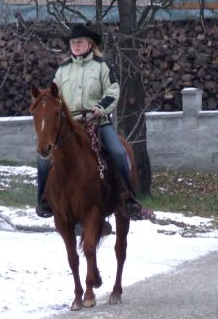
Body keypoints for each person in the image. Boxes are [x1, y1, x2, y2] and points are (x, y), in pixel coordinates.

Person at [35, 24, 142, 218]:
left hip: (97, 122)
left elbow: (113, 91)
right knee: (43, 159)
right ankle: (44, 200)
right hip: (69, 125)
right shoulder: (62, 70)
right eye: (73, 42)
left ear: (89, 44)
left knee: (118, 153)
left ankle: (128, 198)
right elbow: (53, 96)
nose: (76, 45)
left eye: (80, 42)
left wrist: (100, 108)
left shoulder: (102, 66)